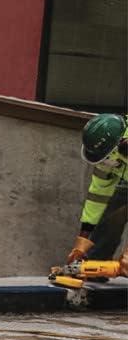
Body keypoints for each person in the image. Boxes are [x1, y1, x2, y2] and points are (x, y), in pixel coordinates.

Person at [66, 112, 128, 275]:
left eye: (106, 158)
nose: (103, 162)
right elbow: (97, 197)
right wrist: (81, 245)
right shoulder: (107, 158)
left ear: (119, 146)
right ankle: (95, 266)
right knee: (113, 212)